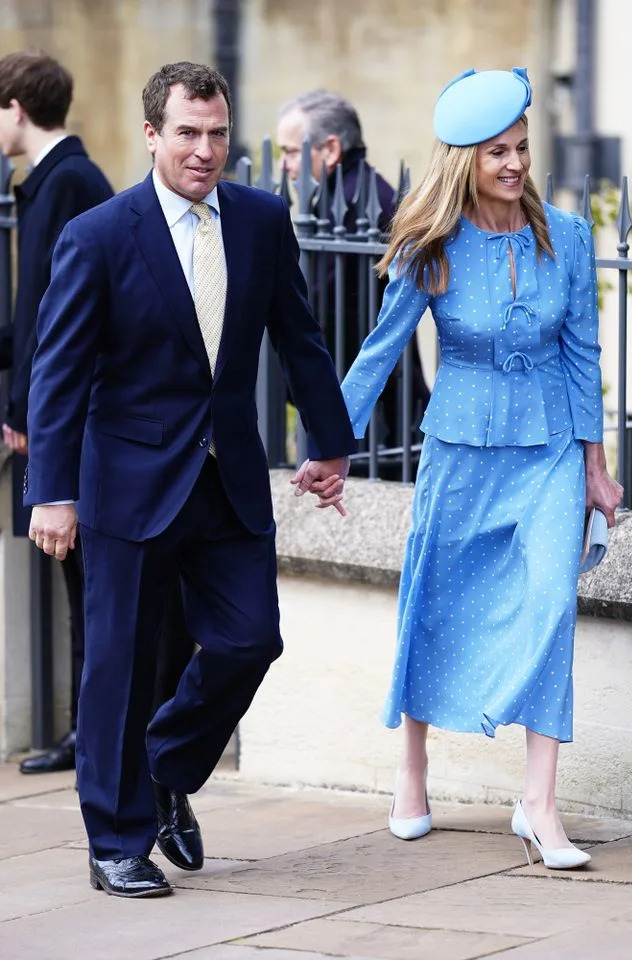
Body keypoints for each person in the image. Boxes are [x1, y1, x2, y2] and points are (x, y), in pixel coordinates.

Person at [25, 61, 354, 899]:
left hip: (229, 477)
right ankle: (117, 841)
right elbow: (58, 375)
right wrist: (51, 492)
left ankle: (165, 766)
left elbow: (300, 336)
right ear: (151, 135)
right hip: (126, 484)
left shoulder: (261, 219)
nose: (205, 151)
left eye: (216, 134)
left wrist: (332, 442)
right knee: (119, 667)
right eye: (187, 133)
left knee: (252, 640)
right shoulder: (99, 234)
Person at [339, 68, 623, 868]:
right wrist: (331, 444)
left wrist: (596, 467)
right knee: (434, 600)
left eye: (522, 148)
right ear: (465, 158)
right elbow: (380, 351)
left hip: (548, 457)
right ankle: (414, 770)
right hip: (460, 451)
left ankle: (538, 804)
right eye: (498, 151)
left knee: (548, 613)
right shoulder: (432, 242)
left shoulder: (565, 236)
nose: (515, 164)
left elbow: (582, 359)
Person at [0, 51, 113, 774]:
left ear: (15, 108)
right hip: (52, 416)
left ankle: (94, 734)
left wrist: (27, 412)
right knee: (79, 582)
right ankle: (86, 732)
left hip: (73, 421)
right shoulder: (46, 182)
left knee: (91, 583)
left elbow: (61, 318)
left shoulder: (69, 181)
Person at [277, 90, 429, 468]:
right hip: (371, 409)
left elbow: (316, 315)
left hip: (371, 417)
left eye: (292, 152)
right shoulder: (347, 198)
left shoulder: (353, 206)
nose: (284, 167)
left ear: (329, 150)